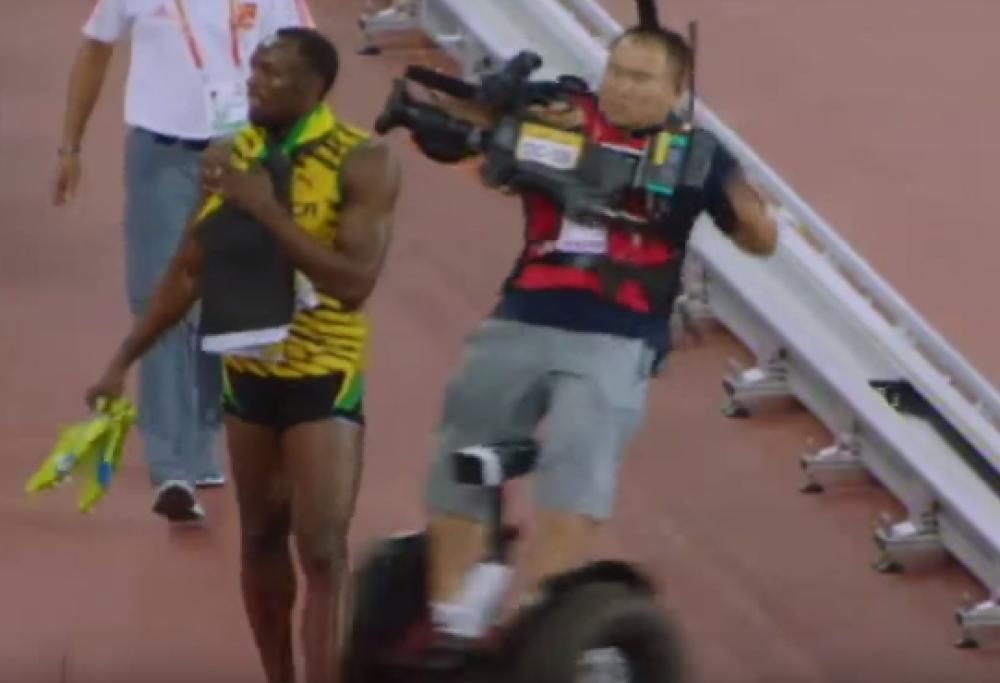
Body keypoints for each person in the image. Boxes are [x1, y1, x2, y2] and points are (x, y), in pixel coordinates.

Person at [413, 22, 780, 650]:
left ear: (676, 90)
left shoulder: (697, 150)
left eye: (641, 78)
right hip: (524, 312)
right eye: (616, 72)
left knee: (576, 457)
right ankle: (449, 618)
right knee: (461, 443)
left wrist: (721, 193)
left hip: (618, 334)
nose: (623, 88)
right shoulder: (562, 108)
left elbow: (761, 237)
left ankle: (537, 626)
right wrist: (495, 106)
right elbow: (462, 134)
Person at [84, 27, 402, 683]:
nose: (254, 82)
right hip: (248, 372)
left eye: (273, 73)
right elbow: (189, 269)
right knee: (259, 538)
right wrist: (122, 359)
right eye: (255, 69)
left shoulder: (361, 160)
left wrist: (266, 209)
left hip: (323, 374)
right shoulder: (231, 155)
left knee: (322, 548)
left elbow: (353, 283)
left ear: (315, 87)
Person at [53, 0, 316, 524]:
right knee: (160, 297)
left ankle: (202, 442)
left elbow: (309, 63)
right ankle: (170, 464)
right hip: (161, 155)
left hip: (245, 152)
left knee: (224, 301)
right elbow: (96, 46)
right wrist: (70, 146)